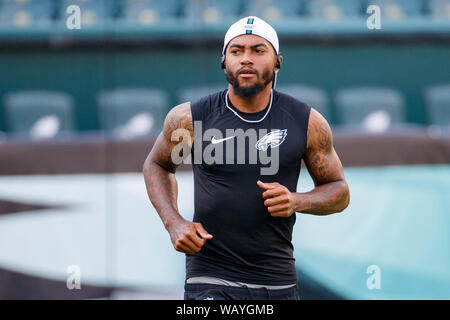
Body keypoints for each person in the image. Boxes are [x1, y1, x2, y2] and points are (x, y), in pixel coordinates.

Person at [143, 16, 350, 300]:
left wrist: (297, 200)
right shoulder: (191, 119)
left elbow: (339, 191)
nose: (246, 59)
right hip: (210, 273)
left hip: (276, 278)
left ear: (278, 61)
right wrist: (174, 222)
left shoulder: (305, 122)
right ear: (224, 61)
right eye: (237, 51)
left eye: (258, 50)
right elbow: (159, 165)